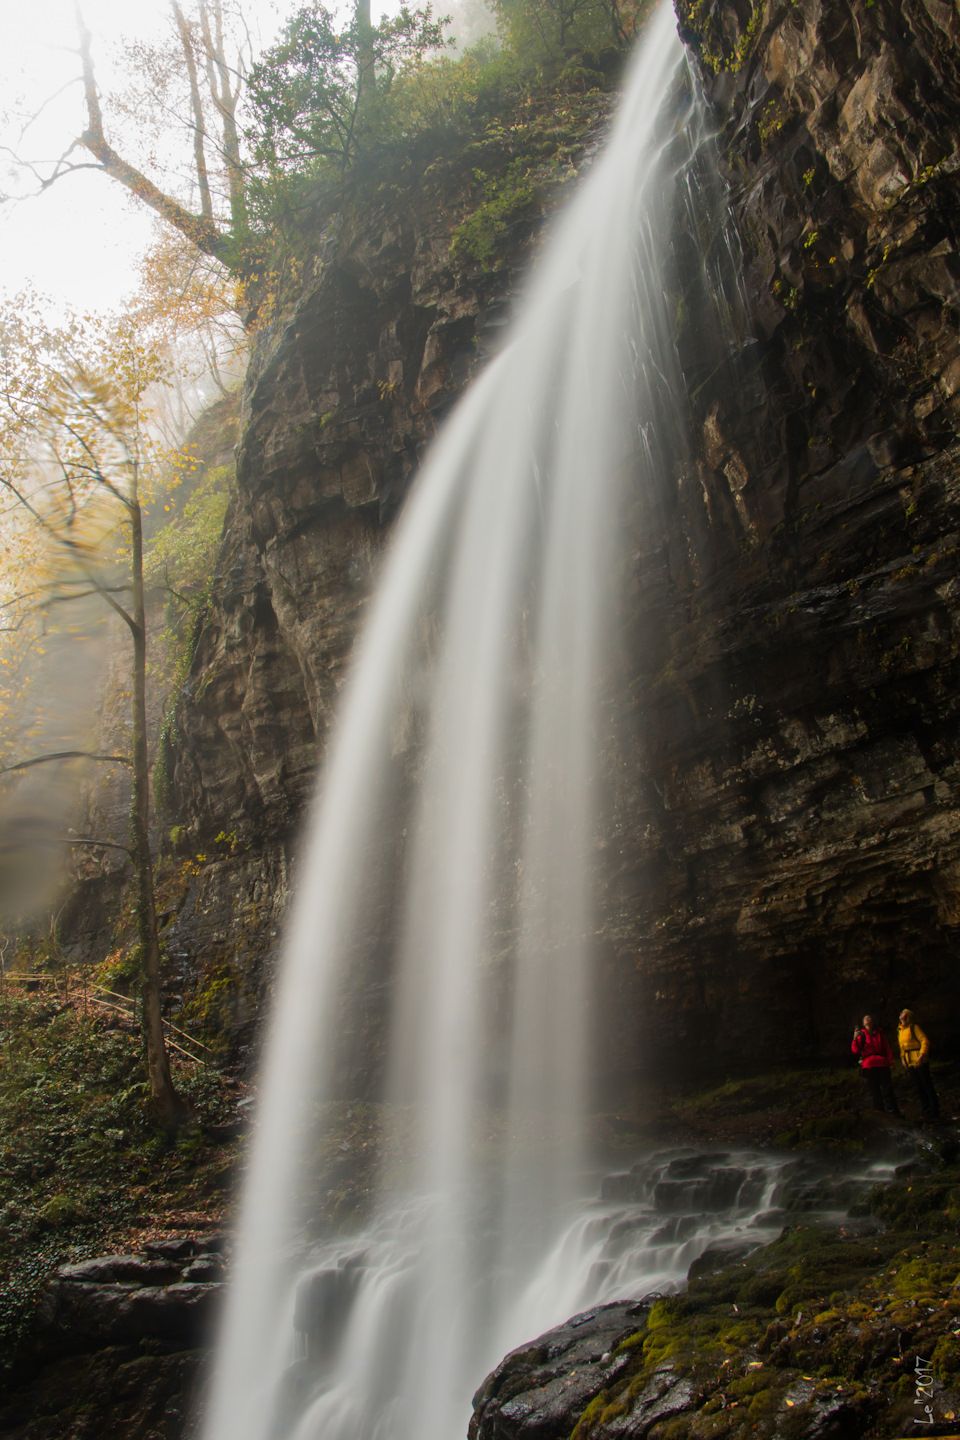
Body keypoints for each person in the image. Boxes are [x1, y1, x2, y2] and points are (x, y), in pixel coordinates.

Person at [851, 1015, 902, 1115]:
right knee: (874, 1089)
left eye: (869, 1018)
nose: (867, 1020)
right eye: (865, 1019)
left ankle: (893, 1110)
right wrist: (854, 1038)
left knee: (887, 1088)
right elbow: (855, 1050)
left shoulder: (879, 1034)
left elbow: (887, 1049)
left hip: (882, 1063)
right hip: (869, 1065)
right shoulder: (862, 1036)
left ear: (872, 1022)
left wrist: (891, 1062)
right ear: (863, 1023)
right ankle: (879, 1110)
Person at [898, 1008, 940, 1120]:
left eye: (904, 1012)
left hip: (919, 1059)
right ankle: (926, 1109)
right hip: (909, 1061)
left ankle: (934, 1110)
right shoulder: (900, 1030)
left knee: (926, 1085)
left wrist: (922, 1055)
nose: (901, 1014)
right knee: (919, 1086)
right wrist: (902, 1058)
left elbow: (925, 1041)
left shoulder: (914, 1027)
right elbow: (902, 1046)